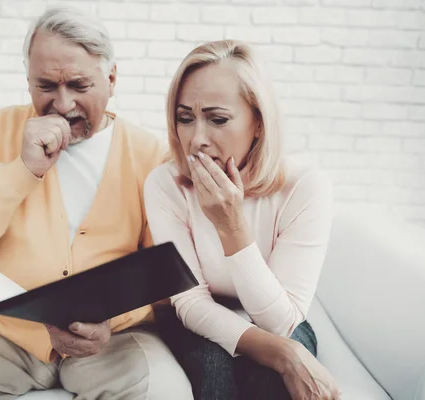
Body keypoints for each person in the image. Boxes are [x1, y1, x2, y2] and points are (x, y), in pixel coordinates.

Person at [0, 7, 193, 400]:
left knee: (167, 394)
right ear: (28, 82)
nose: (62, 105)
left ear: (111, 79)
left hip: (115, 339)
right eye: (46, 86)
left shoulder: (151, 155)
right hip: (8, 332)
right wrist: (21, 170)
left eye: (79, 85)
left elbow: (166, 269)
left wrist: (111, 321)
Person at [144, 40, 341, 400]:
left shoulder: (305, 186)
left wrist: (231, 226)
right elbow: (190, 304)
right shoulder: (164, 184)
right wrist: (286, 353)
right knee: (213, 376)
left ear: (259, 124)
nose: (197, 140)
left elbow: (283, 322)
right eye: (185, 118)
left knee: (274, 385)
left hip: (277, 321)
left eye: (218, 120)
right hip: (198, 321)